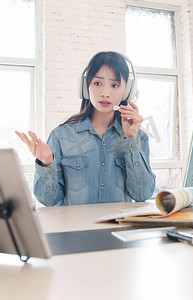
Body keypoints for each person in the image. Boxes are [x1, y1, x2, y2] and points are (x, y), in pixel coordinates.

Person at [16, 51, 155, 206]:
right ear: (85, 87)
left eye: (115, 85)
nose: (105, 93)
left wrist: (132, 140)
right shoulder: (61, 136)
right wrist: (47, 163)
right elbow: (49, 201)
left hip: (118, 229)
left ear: (127, 91)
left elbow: (142, 194)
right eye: (97, 83)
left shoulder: (138, 137)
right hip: (76, 229)